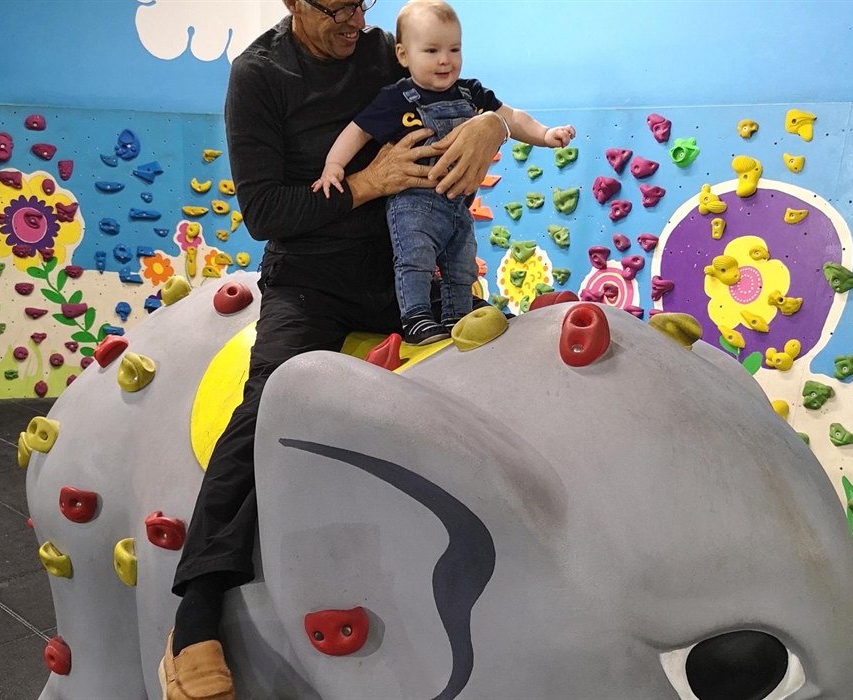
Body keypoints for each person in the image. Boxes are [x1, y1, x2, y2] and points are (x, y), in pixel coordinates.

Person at [158, 0, 508, 697]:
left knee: (503, 360)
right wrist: (367, 184)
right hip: (312, 284)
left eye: (362, 3)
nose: (353, 19)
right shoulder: (258, 76)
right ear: (292, 3)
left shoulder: (386, 51)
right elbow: (264, 213)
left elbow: (475, 98)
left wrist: (491, 128)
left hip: (410, 275)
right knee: (265, 407)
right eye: (336, 6)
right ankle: (195, 614)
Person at [312, 0, 576, 345]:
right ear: (404, 56)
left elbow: (510, 116)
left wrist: (543, 135)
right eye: (432, 50)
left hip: (457, 205)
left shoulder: (471, 93)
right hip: (413, 205)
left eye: (454, 49)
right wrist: (334, 166)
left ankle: (457, 314)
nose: (445, 60)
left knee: (461, 264)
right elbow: (357, 131)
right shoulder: (397, 98)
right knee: (415, 260)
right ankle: (416, 316)